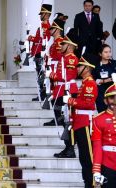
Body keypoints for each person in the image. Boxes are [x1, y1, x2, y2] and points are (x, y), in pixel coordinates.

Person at [63, 53, 98, 188]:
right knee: (83, 157)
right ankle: (87, 182)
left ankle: (92, 183)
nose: (77, 69)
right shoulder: (84, 83)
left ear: (87, 68)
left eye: (80, 66)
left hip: (85, 124)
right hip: (79, 123)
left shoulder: (89, 83)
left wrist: (71, 100)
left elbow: (88, 104)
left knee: (88, 157)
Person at [45, 28, 79, 158]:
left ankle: (70, 148)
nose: (61, 45)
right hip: (61, 90)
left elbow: (68, 76)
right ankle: (68, 146)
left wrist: (52, 74)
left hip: (67, 90)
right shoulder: (65, 57)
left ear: (70, 46)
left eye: (64, 44)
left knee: (67, 120)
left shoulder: (70, 58)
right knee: (63, 119)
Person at [92, 83, 116, 187]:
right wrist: (96, 170)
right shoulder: (98, 119)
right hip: (108, 163)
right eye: (112, 98)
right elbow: (97, 147)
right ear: (105, 101)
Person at [28, 4, 52, 101]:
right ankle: (41, 94)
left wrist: (32, 38)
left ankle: (43, 95)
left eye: (42, 13)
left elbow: (42, 40)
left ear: (47, 14)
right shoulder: (42, 25)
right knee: (39, 75)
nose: (40, 15)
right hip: (38, 52)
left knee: (41, 75)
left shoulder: (46, 26)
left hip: (41, 53)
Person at [92, 44, 116, 113]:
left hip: (113, 94)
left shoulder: (114, 63)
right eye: (105, 52)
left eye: (109, 52)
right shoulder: (96, 66)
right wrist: (104, 80)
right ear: (100, 54)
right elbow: (93, 79)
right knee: (102, 113)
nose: (108, 54)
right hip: (101, 94)